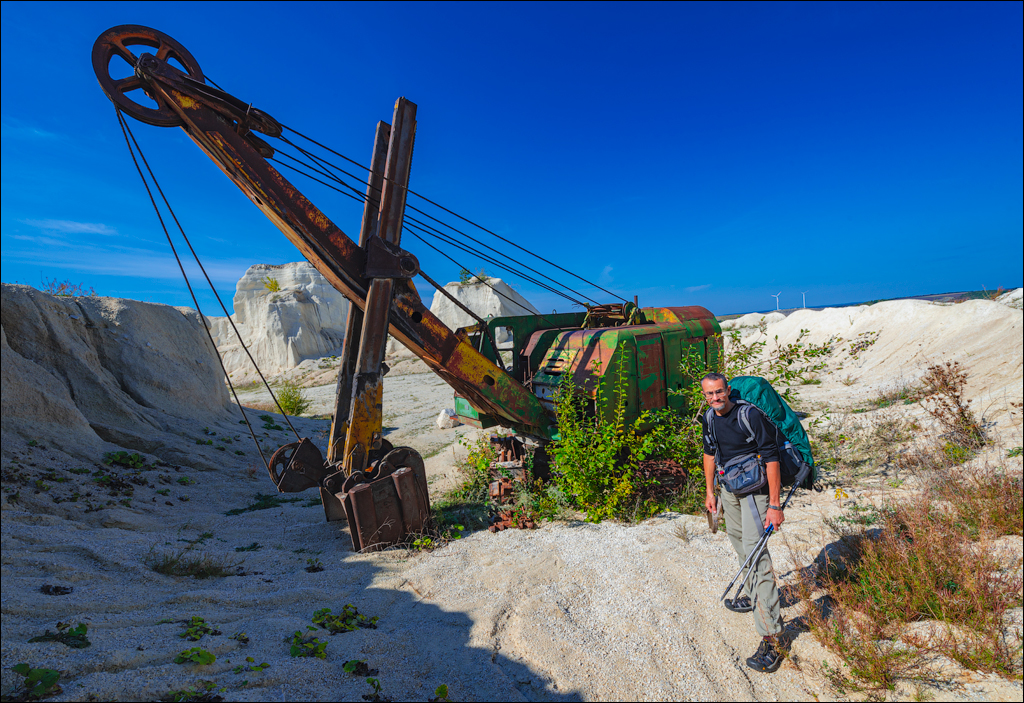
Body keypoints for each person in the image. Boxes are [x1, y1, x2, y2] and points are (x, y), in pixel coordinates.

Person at [701, 372, 786, 673]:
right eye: (709, 394)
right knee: (740, 545)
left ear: (728, 390)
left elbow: (772, 457)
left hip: (755, 495)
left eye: (719, 392)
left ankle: (772, 638)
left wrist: (774, 505)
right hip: (729, 491)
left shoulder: (748, 414)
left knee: (756, 557)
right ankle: (754, 596)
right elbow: (710, 453)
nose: (715, 399)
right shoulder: (710, 418)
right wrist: (711, 492)